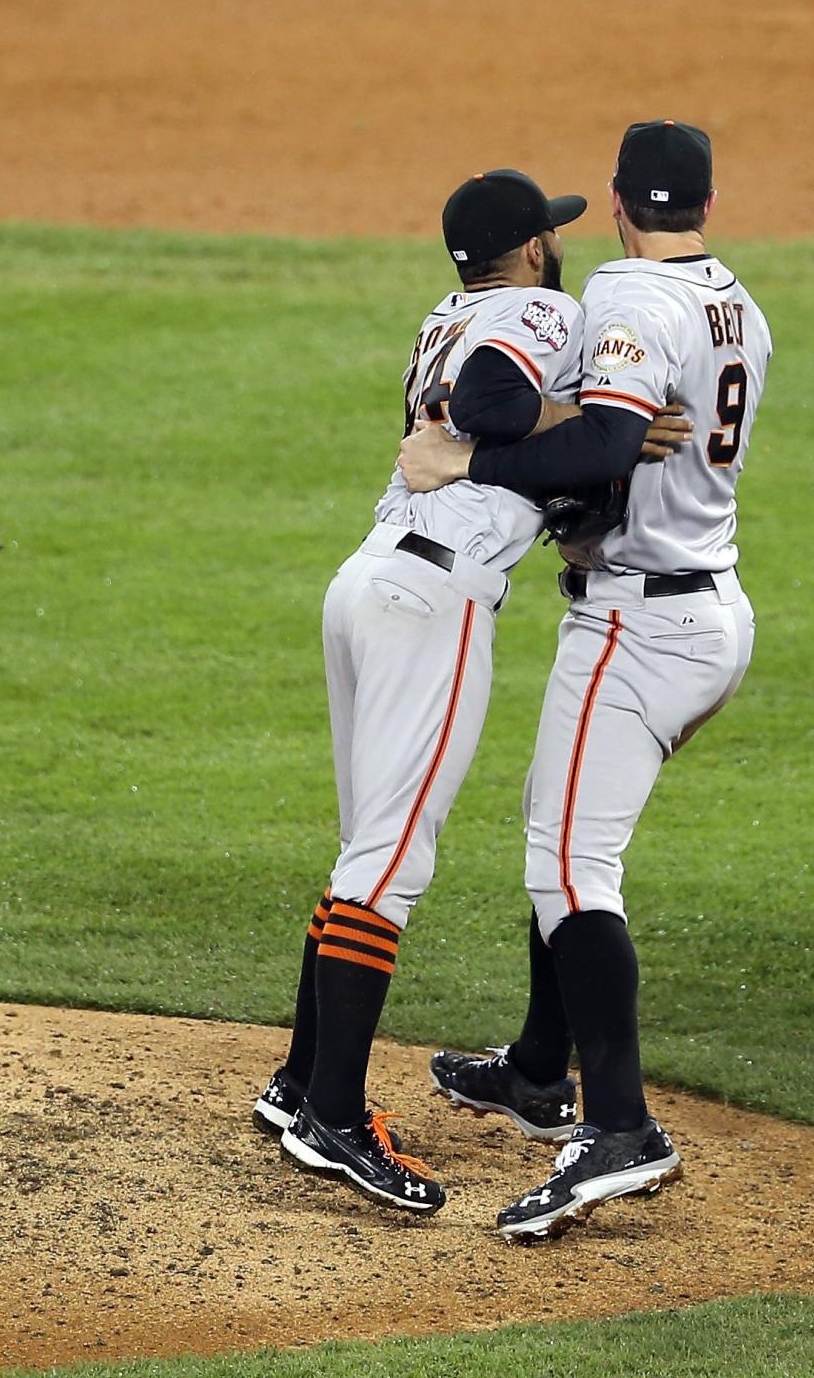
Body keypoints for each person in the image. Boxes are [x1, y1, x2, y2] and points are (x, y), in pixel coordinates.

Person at [256, 169, 681, 1214]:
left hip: (366, 580)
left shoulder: (447, 311)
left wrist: (560, 443)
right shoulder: (542, 308)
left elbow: (489, 431)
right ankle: (336, 1119)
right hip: (427, 600)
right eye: (554, 233)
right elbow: (493, 404)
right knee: (394, 856)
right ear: (533, 247)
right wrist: (591, 414)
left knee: (367, 843)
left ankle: (298, 1081)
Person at [397, 121, 770, 1241]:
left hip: (641, 621)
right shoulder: (732, 298)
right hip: (707, 601)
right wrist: (589, 446)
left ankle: (621, 1126)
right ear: (706, 198)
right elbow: (613, 448)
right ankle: (534, 1069)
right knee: (563, 828)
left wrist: (470, 458)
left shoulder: (627, 300)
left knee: (569, 863)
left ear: (615, 201)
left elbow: (607, 447)